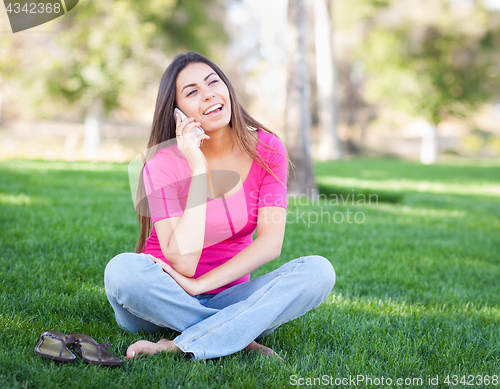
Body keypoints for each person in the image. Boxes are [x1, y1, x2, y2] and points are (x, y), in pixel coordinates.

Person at [104, 52, 335, 361]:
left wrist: (201, 286)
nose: (209, 93)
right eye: (192, 92)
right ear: (177, 113)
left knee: (319, 271)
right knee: (122, 271)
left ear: (227, 89)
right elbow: (183, 264)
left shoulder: (266, 148)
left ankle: (184, 341)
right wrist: (198, 168)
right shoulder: (161, 165)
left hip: (230, 296)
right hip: (161, 298)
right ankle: (238, 334)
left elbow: (270, 244)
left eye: (213, 82)